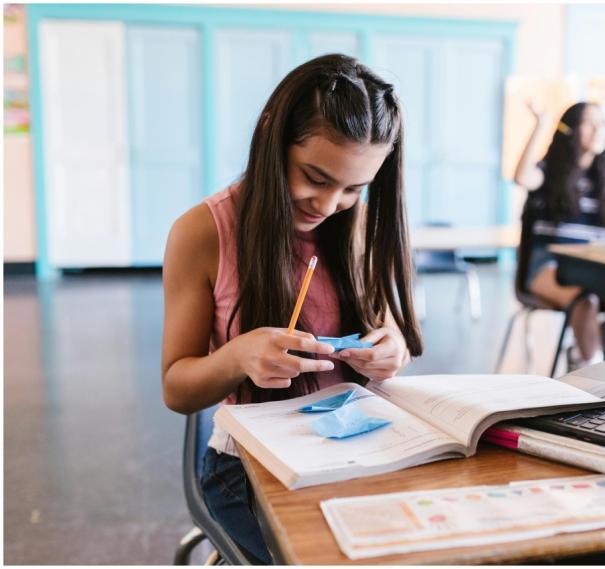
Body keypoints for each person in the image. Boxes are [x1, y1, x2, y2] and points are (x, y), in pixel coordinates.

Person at [161, 54, 423, 564]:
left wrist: (391, 352)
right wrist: (237, 356)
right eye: (315, 177)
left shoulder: (360, 227)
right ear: (272, 134)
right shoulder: (202, 232)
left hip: (355, 445)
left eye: (353, 188)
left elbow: (390, 334)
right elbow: (177, 388)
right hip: (250, 465)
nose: (328, 204)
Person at [513, 101, 605, 369]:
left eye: (602, 123)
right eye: (590, 123)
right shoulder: (549, 172)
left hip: (594, 266)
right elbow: (522, 176)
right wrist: (541, 124)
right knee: (586, 301)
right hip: (548, 265)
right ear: (570, 130)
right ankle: (592, 369)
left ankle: (583, 353)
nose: (599, 129)